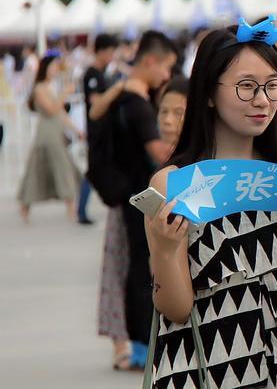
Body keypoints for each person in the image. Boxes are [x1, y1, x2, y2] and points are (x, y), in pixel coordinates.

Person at [144, 21, 277, 388]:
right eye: (246, 87)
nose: (263, 100)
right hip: (210, 368)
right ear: (209, 93)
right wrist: (163, 250)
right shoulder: (176, 183)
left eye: (272, 85)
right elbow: (176, 308)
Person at [97, 77, 189, 371]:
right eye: (163, 111)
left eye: (178, 112)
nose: (167, 120)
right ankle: (141, 347)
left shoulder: (196, 169)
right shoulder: (155, 161)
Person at [110, 30, 177, 369]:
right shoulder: (137, 106)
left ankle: (137, 345)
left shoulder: (122, 97)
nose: (166, 76)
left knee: (135, 270)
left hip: (126, 197)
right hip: (142, 198)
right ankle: (141, 346)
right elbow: (159, 151)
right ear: (150, 61)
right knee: (144, 272)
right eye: (166, 68)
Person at [17, 50, 83, 222]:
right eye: (53, 67)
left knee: (62, 168)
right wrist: (65, 93)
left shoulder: (50, 87)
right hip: (46, 135)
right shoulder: (40, 89)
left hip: (55, 133)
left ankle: (71, 208)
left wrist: (77, 130)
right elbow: (52, 109)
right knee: (45, 169)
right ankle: (26, 207)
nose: (55, 70)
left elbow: (61, 114)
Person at [77, 33, 119, 225]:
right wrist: (116, 90)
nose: (112, 56)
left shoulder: (102, 73)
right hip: (96, 131)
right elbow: (95, 102)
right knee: (93, 171)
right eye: (110, 52)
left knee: (96, 170)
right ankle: (81, 211)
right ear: (101, 51)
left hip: (105, 131)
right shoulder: (92, 74)